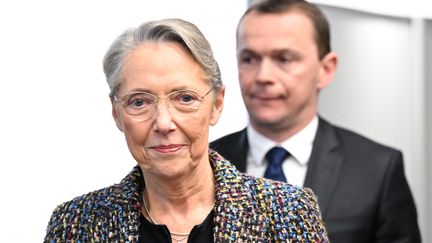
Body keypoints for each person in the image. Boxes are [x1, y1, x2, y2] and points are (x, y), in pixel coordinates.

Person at [43, 18, 329, 242]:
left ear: (216, 104)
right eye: (139, 101)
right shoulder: (75, 224)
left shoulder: (289, 213)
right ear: (117, 113)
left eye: (185, 98)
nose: (164, 123)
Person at [210, 0, 422, 242]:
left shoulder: (376, 169)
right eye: (249, 59)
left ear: (326, 69)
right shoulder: (206, 163)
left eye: (284, 59)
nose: (263, 76)